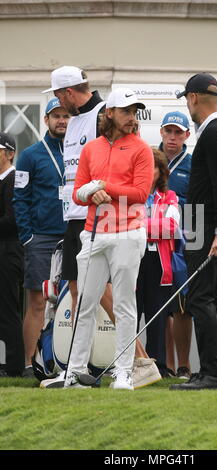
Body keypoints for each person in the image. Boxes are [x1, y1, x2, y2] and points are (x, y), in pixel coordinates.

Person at [64, 87, 154, 390]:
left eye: (135, 112)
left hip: (128, 233)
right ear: (110, 113)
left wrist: (105, 186)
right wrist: (92, 190)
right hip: (92, 234)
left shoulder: (141, 148)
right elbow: (77, 191)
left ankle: (123, 372)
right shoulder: (92, 148)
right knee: (85, 303)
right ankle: (74, 372)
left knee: (124, 305)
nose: (132, 117)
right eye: (126, 111)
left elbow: (141, 193)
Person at [170, 72, 217, 391]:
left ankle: (214, 373)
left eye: (187, 99)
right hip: (201, 223)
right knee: (205, 299)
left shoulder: (213, 132)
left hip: (208, 225)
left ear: (194, 98)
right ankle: (212, 369)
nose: (187, 105)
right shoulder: (216, 130)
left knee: (201, 299)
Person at [42, 66, 106, 319]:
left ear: (69, 92)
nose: (58, 102)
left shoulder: (103, 115)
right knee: (76, 289)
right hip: (72, 216)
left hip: (96, 218)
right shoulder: (74, 120)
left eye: (58, 96)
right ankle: (82, 355)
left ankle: (139, 356)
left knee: (102, 291)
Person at [13, 98, 70, 377]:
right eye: (56, 116)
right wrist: (27, 237)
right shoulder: (30, 155)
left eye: (66, 115)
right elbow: (19, 198)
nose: (62, 120)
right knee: (38, 302)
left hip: (72, 235)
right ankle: (28, 364)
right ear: (46, 120)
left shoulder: (79, 152)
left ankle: (65, 362)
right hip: (41, 238)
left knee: (72, 301)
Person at [136, 148, 180, 378]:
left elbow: (172, 227)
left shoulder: (170, 196)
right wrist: (153, 226)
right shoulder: (131, 194)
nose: (147, 171)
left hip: (158, 263)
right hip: (133, 260)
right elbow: (124, 224)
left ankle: (160, 366)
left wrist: (141, 227)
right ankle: (129, 364)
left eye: (153, 166)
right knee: (131, 314)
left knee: (158, 317)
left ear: (161, 171)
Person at [159, 111, 193, 380]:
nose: (172, 137)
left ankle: (183, 364)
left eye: (178, 132)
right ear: (161, 132)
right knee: (159, 305)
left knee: (182, 306)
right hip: (153, 239)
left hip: (182, 242)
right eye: (168, 131)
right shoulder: (148, 159)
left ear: (186, 135)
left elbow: (197, 206)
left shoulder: (193, 164)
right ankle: (164, 364)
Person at [0, 132, 24, 377]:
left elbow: (12, 220)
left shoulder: (14, 179)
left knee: (8, 308)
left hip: (9, 251)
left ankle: (15, 365)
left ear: (9, 153)